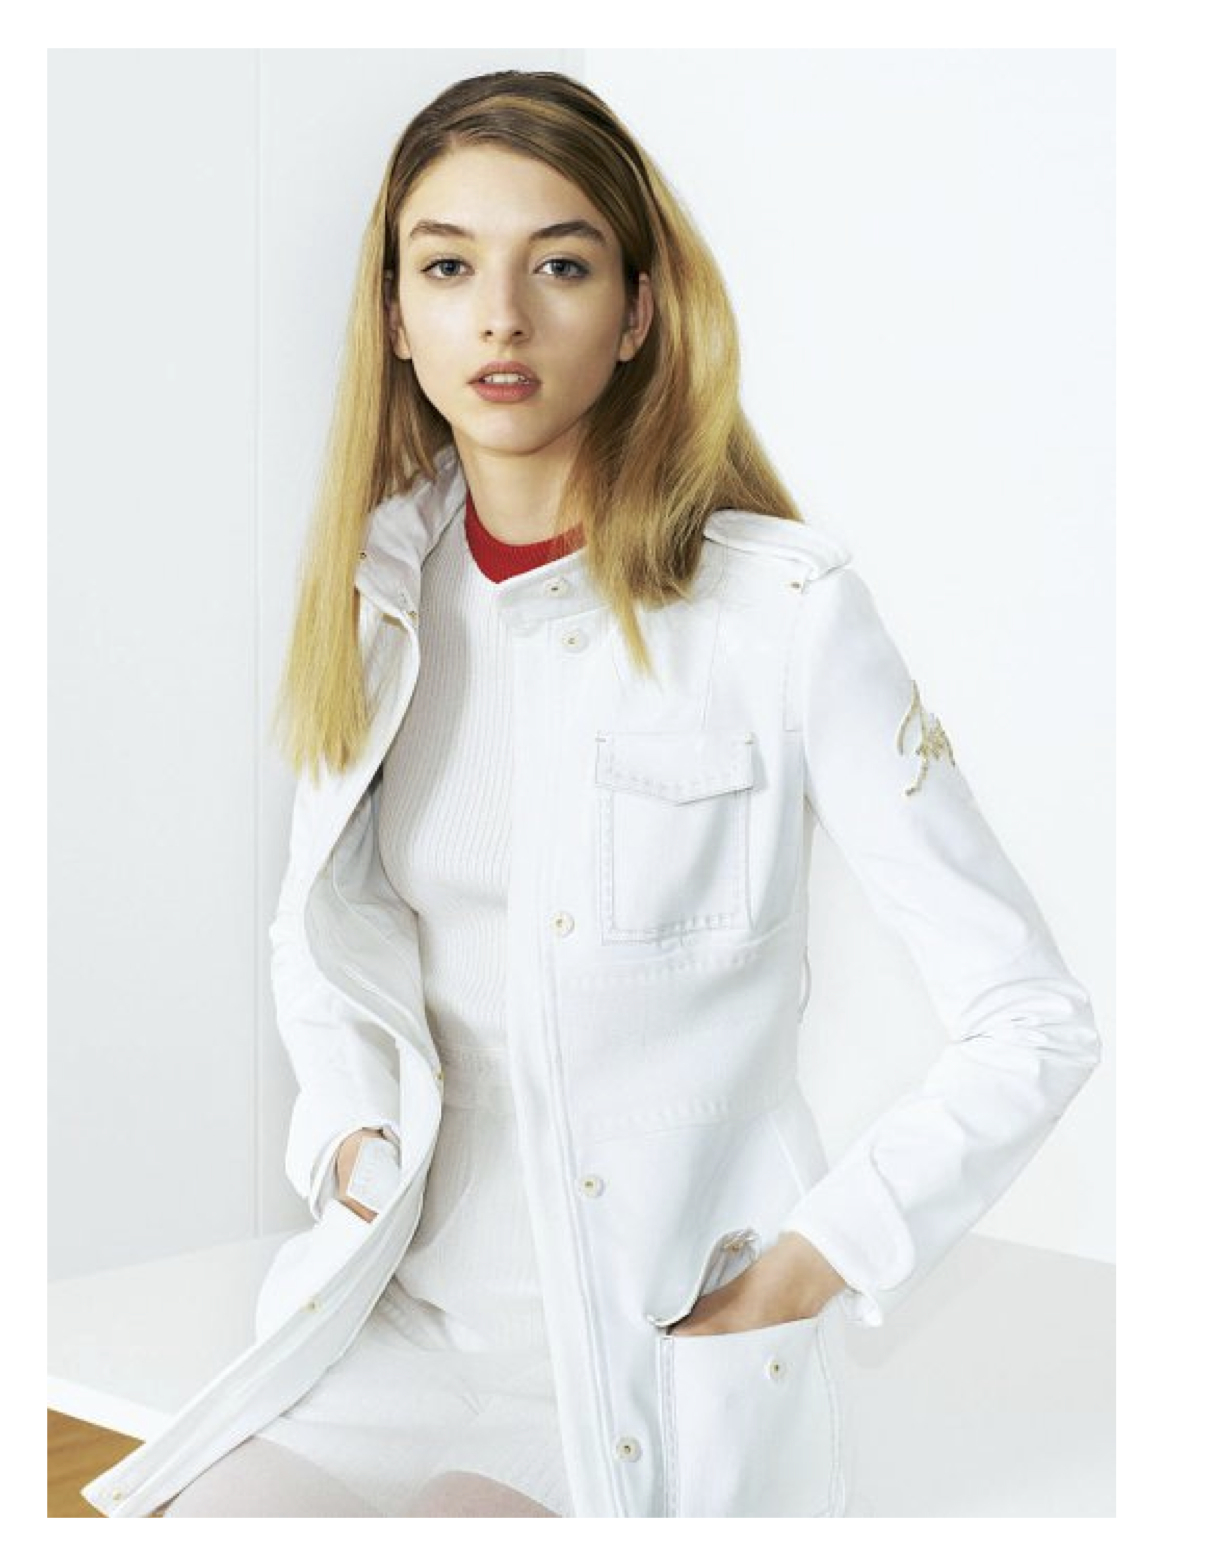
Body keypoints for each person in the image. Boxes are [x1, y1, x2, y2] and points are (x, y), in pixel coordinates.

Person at [145, 68, 1101, 1519]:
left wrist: (811, 1262)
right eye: (448, 267)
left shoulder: (782, 615)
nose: (501, 318)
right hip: (394, 1320)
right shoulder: (380, 589)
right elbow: (317, 932)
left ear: (639, 312)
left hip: (639, 1351)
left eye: (562, 266)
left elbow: (1030, 1017)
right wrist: (347, 1139)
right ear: (394, 318)